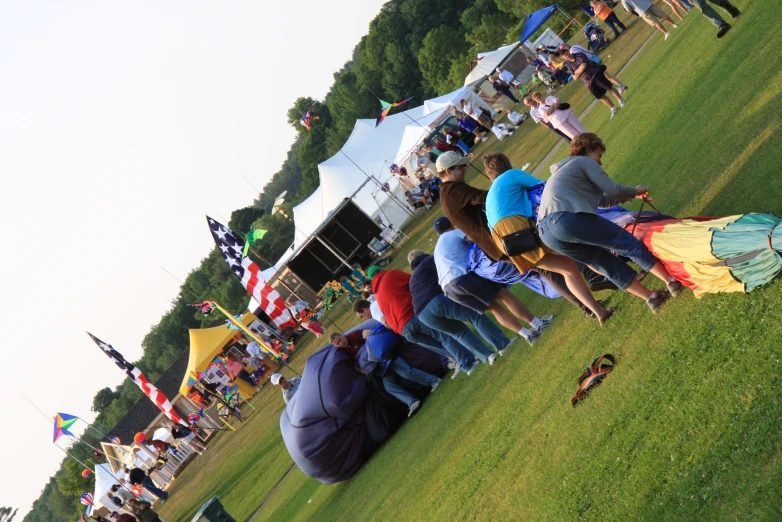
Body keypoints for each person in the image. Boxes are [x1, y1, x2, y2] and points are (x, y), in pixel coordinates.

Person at [537, 133, 684, 314]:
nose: (600, 162)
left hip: (546, 233)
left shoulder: (565, 172)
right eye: (599, 155)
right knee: (626, 243)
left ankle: (652, 298)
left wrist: (631, 195)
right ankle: (672, 281)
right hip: (566, 218)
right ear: (589, 149)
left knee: (602, 262)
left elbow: (603, 201)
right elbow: (613, 189)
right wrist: (636, 189)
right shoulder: (582, 162)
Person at [435, 150, 594, 317]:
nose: (465, 168)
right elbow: (485, 198)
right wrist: (504, 188)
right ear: (448, 171)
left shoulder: (447, 193)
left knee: (551, 265)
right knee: (553, 259)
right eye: (461, 166)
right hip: (503, 239)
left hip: (498, 242)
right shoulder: (453, 190)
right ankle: (590, 294)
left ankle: (588, 301)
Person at [483, 153, 614, 325]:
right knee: (579, 246)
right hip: (516, 228)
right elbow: (544, 188)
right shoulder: (511, 175)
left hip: (505, 243)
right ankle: (618, 276)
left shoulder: (491, 193)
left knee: (567, 268)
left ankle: (598, 311)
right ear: (507, 164)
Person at [433, 217, 554, 345]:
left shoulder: (437, 248)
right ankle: (538, 324)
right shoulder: (452, 233)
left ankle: (527, 335)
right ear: (452, 224)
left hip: (448, 289)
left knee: (494, 309)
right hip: (461, 277)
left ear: (437, 233)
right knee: (505, 296)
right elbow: (476, 239)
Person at [408, 249, 517, 366]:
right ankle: (502, 345)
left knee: (459, 333)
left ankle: (487, 356)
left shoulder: (412, 279)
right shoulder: (430, 260)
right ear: (423, 254)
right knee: (475, 316)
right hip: (435, 300)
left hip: (422, 314)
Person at [370, 270, 481, 374]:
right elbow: (414, 283)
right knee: (443, 336)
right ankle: (467, 363)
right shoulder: (392, 275)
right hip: (411, 314)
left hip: (402, 329)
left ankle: (464, 358)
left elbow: (386, 320)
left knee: (436, 345)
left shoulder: (378, 295)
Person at [561, 50, 627, 119]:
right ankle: (613, 108)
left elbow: (584, 65)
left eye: (567, 53)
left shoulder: (579, 55)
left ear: (568, 52)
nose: (567, 56)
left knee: (609, 87)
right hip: (588, 82)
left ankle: (621, 101)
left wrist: (577, 71)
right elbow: (575, 77)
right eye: (565, 56)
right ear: (564, 58)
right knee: (600, 96)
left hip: (595, 74)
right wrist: (579, 71)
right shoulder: (570, 66)